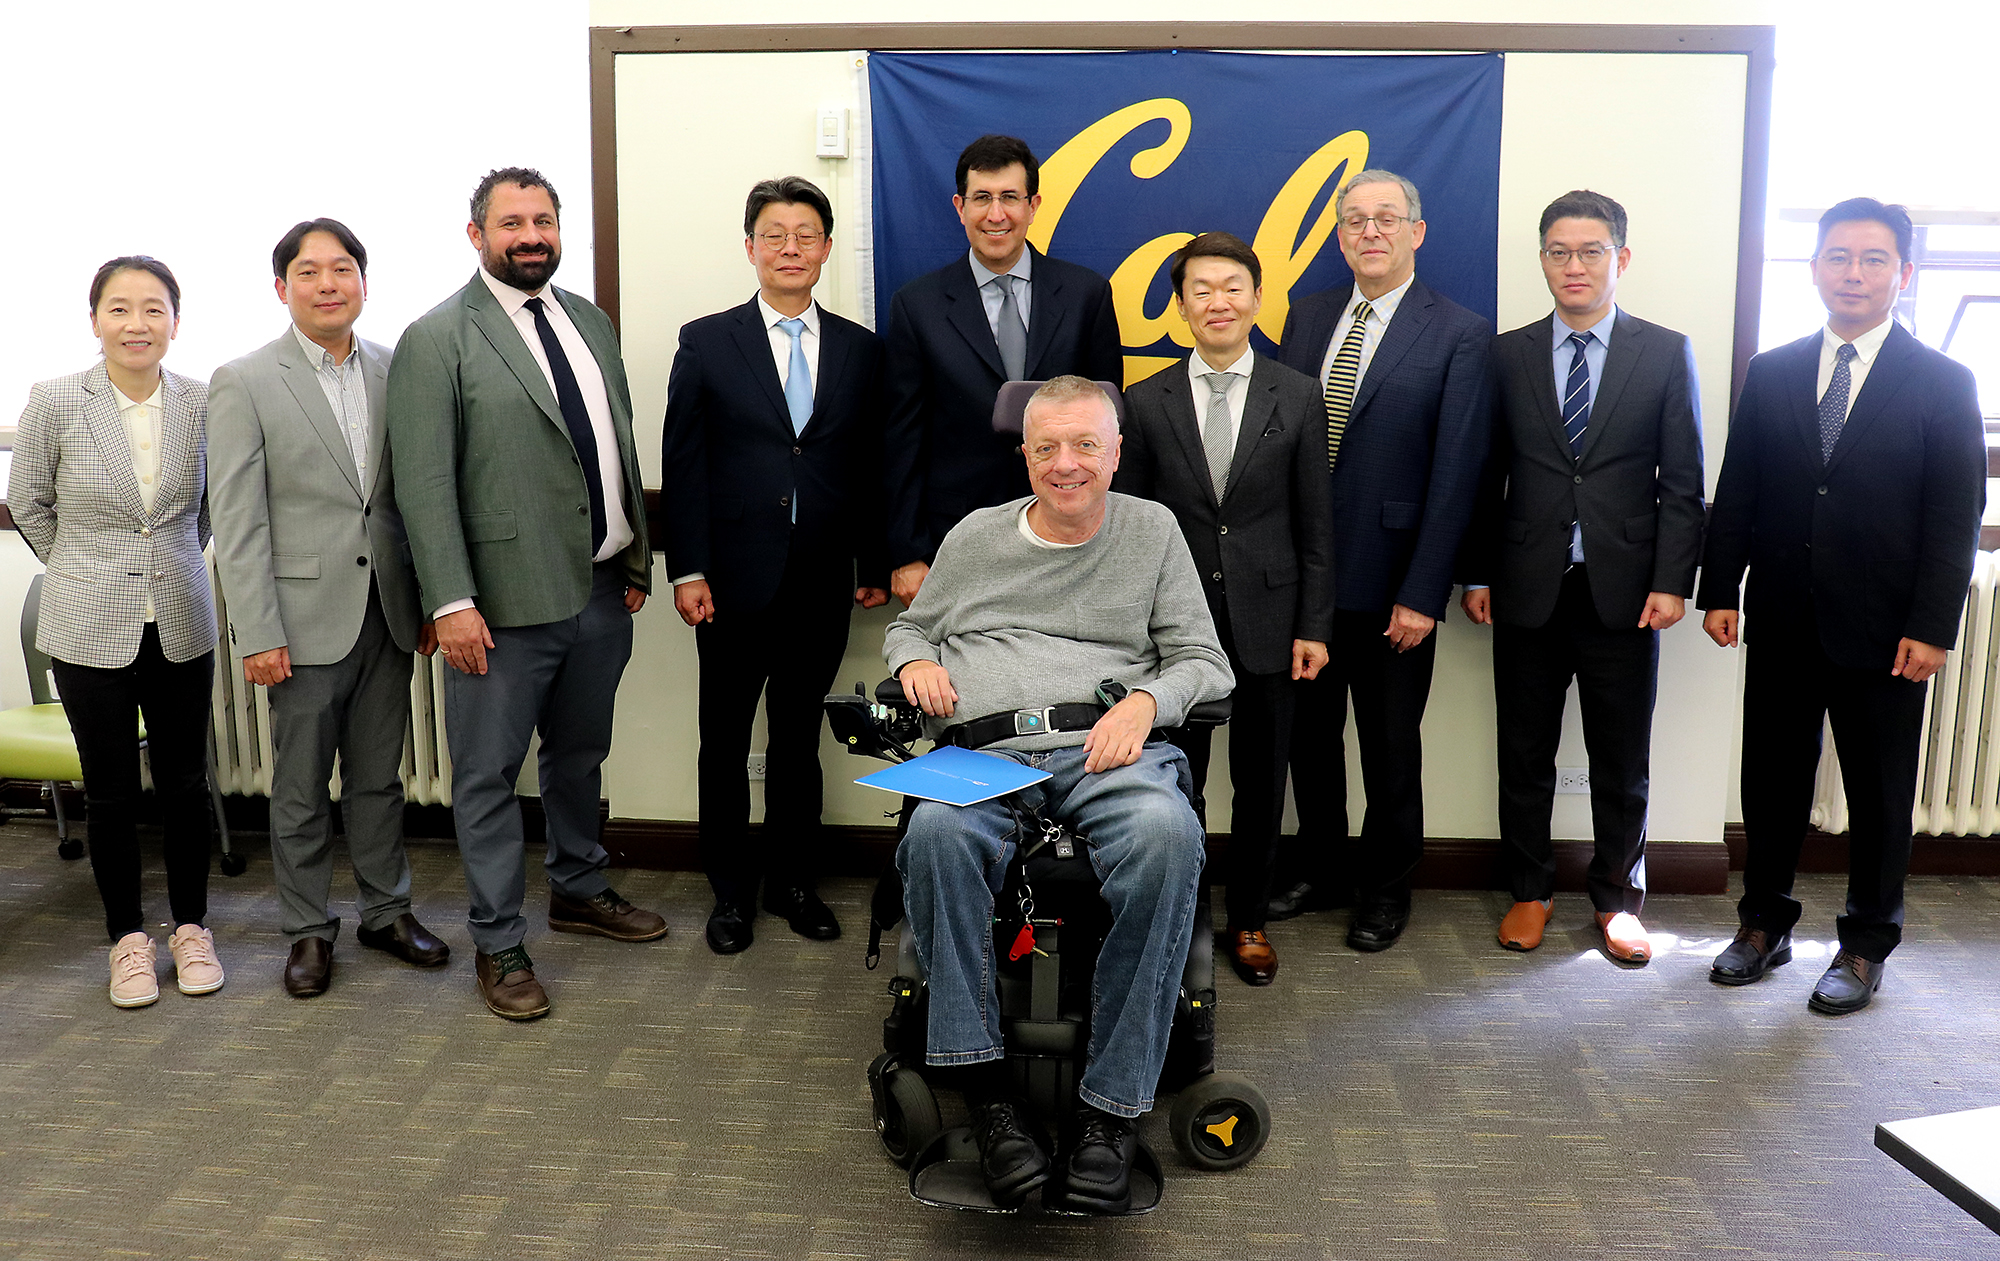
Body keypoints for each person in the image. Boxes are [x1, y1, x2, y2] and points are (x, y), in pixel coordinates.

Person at [888, 375, 1233, 1214]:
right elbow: (912, 626)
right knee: (934, 832)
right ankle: (988, 1096)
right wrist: (915, 661)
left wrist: (1149, 703)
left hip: (1106, 750)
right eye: (1047, 447)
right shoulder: (975, 535)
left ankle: (1110, 1113)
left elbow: (1203, 659)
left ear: (1116, 452)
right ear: (1025, 454)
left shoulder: (1153, 531)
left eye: (1086, 445)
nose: (1067, 463)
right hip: (987, 750)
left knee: (1166, 837)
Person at [384, 167, 664, 1021]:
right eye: (512, 223)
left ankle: (578, 887)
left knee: (579, 756)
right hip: (497, 608)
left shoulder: (587, 318)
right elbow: (423, 485)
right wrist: (450, 601)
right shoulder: (438, 337)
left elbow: (610, 443)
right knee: (487, 777)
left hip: (597, 590)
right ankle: (498, 940)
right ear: (478, 235)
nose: (531, 235)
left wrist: (632, 560)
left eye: (543, 219)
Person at [1698, 197, 1985, 1015]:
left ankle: (1864, 944)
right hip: (1785, 616)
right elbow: (1740, 490)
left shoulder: (1942, 381)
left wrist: (1933, 626)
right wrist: (1722, 588)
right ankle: (1765, 925)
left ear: (1903, 271)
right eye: (1837, 258)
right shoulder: (1776, 370)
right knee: (1774, 783)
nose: (1852, 273)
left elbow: (1952, 517)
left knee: (1880, 792)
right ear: (1815, 267)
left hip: (1889, 632)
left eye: (1871, 259)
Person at [1458, 191, 1705, 964]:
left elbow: (1683, 481)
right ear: (1543, 260)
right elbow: (1482, 473)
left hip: (1626, 592)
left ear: (1620, 259)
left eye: (1591, 251)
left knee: (1621, 756)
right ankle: (1528, 891)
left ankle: (1617, 899)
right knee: (1522, 752)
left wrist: (1672, 580)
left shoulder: (1664, 352)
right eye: (1559, 251)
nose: (1574, 265)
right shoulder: (1506, 353)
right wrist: (1475, 572)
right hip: (1526, 583)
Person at [208, 218, 450, 997]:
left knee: (380, 778)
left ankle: (386, 911)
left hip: (388, 608)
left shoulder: (394, 367)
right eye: (308, 273)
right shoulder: (245, 379)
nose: (327, 285)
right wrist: (256, 629)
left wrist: (425, 595)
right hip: (299, 619)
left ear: (364, 282)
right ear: (282, 288)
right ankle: (308, 929)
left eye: (341, 269)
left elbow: (410, 496)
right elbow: (238, 518)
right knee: (302, 787)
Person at [661, 176, 889, 955]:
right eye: (773, 234)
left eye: (805, 235)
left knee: (799, 739)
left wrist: (873, 557)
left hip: (821, 578)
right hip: (728, 581)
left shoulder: (862, 350)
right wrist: (687, 568)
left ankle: (794, 883)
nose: (790, 247)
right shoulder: (707, 340)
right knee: (722, 741)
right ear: (750, 246)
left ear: (826, 249)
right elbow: (683, 461)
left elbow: (870, 465)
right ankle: (730, 895)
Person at [1269, 169, 1493, 951]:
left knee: (1392, 747)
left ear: (1416, 233)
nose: (1370, 231)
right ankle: (1322, 867)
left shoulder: (1460, 331)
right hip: (1307, 580)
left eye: (1386, 218)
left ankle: (1385, 887)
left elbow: (1459, 470)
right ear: (1339, 237)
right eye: (1355, 220)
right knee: (1310, 738)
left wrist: (1425, 589)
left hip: (1397, 580)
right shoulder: (1307, 316)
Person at [1114, 231, 1331, 986]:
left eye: (1232, 287)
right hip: (1174, 631)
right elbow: (1133, 529)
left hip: (1272, 624)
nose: (1218, 302)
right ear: (1179, 307)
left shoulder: (1298, 393)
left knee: (1262, 781)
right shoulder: (1143, 401)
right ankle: (1181, 919)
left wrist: (1314, 625)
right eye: (1201, 289)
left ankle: (1248, 922)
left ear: (1257, 299)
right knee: (1176, 784)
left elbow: (1316, 524)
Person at [8, 256, 224, 1008]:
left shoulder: (201, 401)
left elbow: (209, 512)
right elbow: (29, 504)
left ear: (175, 320)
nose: (138, 324)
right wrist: (80, 569)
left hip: (182, 617)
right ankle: (127, 938)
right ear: (94, 317)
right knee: (109, 790)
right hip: (86, 621)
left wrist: (170, 562)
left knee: (187, 782)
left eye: (155, 309)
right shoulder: (57, 399)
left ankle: (191, 927)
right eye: (121, 309)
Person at [881, 133, 1124, 608]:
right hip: (956, 538)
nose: (997, 214)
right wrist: (907, 552)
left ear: (1033, 205)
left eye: (1010, 197)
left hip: (1071, 533)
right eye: (982, 199)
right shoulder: (917, 305)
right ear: (960, 206)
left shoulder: (1086, 295)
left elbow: (1111, 428)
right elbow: (901, 437)